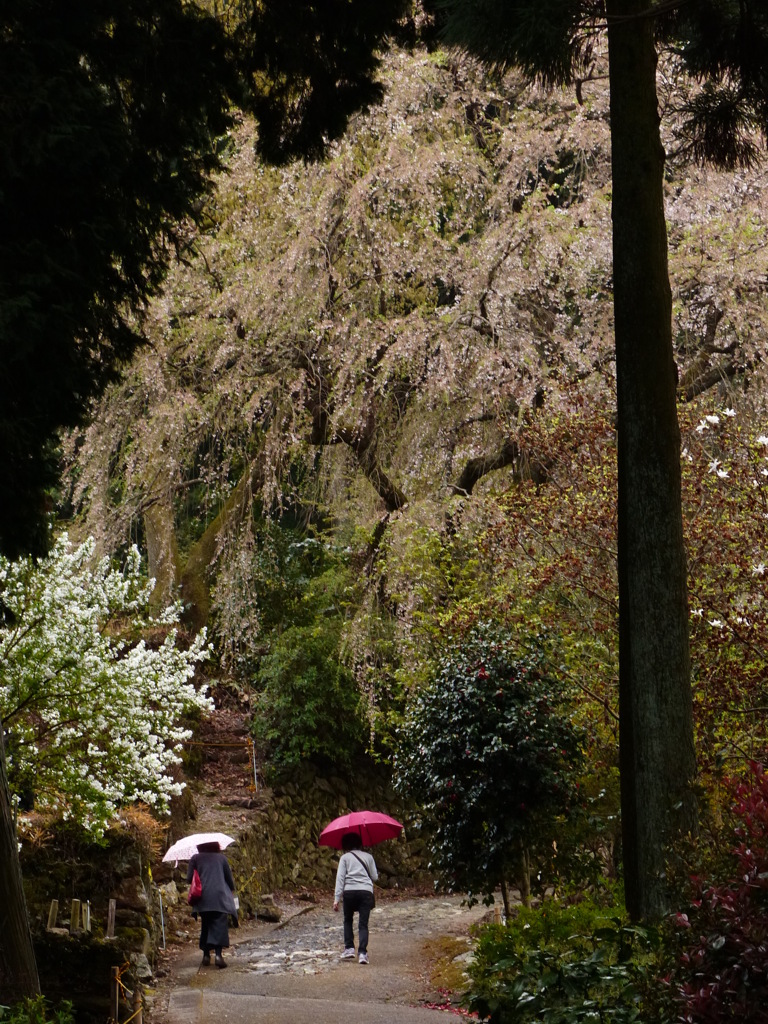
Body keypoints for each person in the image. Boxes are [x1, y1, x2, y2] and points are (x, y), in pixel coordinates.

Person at [187, 840, 238, 968]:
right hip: (220, 896)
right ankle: (218, 955)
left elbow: (189, 878)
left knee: (206, 923)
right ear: (216, 845)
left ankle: (206, 955)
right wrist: (232, 889)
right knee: (220, 924)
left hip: (202, 897)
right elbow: (229, 879)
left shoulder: (195, 858)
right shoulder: (221, 858)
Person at [333, 832, 377, 964]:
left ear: (346, 844)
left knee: (348, 919)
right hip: (365, 892)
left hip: (350, 892)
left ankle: (349, 948)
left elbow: (340, 879)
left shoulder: (345, 858)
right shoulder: (369, 857)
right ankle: (363, 953)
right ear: (360, 843)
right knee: (363, 924)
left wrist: (336, 899)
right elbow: (375, 877)